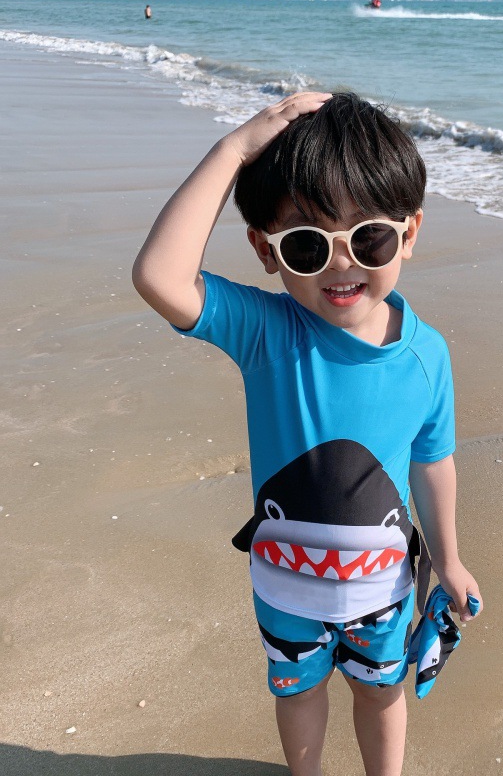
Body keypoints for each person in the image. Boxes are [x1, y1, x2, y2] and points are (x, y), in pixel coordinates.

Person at [132, 92, 482, 776]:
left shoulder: (426, 355)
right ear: (266, 250)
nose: (341, 265)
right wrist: (234, 150)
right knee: (296, 693)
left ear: (409, 233)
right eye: (306, 243)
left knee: (382, 693)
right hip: (283, 589)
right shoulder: (267, 332)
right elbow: (159, 276)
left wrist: (448, 559)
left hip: (384, 590)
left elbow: (432, 463)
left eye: (369, 238)